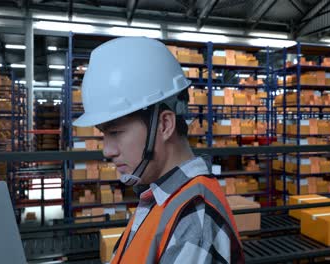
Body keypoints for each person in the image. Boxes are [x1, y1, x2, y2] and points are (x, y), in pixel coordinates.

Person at [73, 37, 244, 263]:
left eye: (115, 133)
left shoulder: (193, 220)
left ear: (164, 125)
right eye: (104, 134)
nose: (107, 151)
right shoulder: (161, 195)